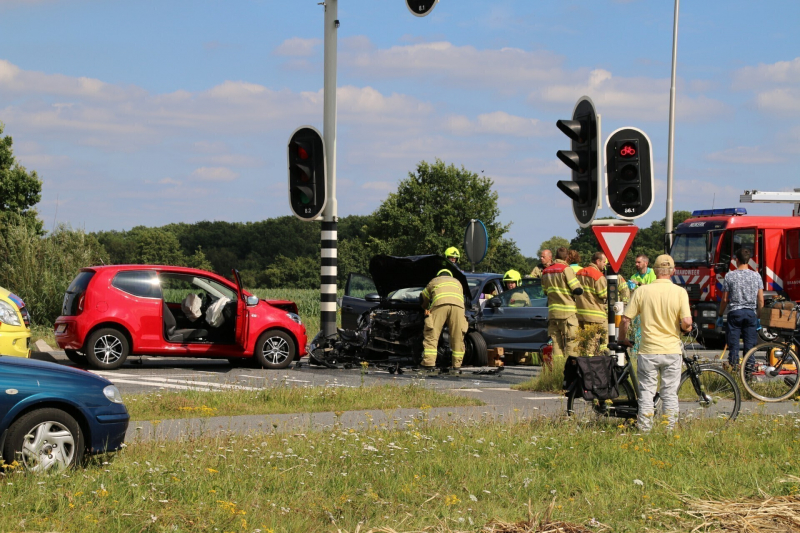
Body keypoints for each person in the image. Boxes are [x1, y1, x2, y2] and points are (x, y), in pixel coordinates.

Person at [618, 254, 692, 432]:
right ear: (672, 271)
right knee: (669, 393)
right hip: (671, 350)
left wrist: (622, 338)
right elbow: (687, 321)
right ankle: (669, 430)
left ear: (655, 271)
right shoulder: (680, 292)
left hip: (648, 350)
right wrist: (683, 328)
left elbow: (626, 319)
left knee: (646, 392)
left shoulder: (643, 291)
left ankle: (644, 429)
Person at [717, 248, 764, 368]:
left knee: (733, 344)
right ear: (749, 260)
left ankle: (734, 370)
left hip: (735, 313)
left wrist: (720, 314)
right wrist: (759, 317)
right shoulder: (756, 276)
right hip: (750, 314)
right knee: (750, 345)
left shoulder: (730, 276)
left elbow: (725, 299)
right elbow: (760, 299)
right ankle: (748, 373)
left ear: (736, 260)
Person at [420, 268, 467, 370]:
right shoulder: (457, 282)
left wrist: (425, 307)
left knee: (432, 333)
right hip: (458, 308)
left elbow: (423, 297)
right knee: (458, 337)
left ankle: (429, 364)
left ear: (439, 275)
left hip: (440, 305)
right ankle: (457, 366)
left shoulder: (434, 281)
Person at [542, 247, 584, 358]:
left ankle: (559, 369)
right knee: (572, 341)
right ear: (567, 258)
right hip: (567, 313)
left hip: (553, 314)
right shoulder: (566, 269)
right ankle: (570, 369)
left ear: (555, 257)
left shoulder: (546, 271)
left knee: (556, 344)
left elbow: (545, 291)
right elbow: (577, 289)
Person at [576, 252, 609, 346]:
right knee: (598, 342)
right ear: (598, 261)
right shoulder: (598, 275)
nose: (605, 264)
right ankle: (596, 359)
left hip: (581, 314)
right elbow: (603, 294)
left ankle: (584, 359)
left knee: (583, 343)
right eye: (603, 262)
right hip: (595, 315)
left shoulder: (579, 273)